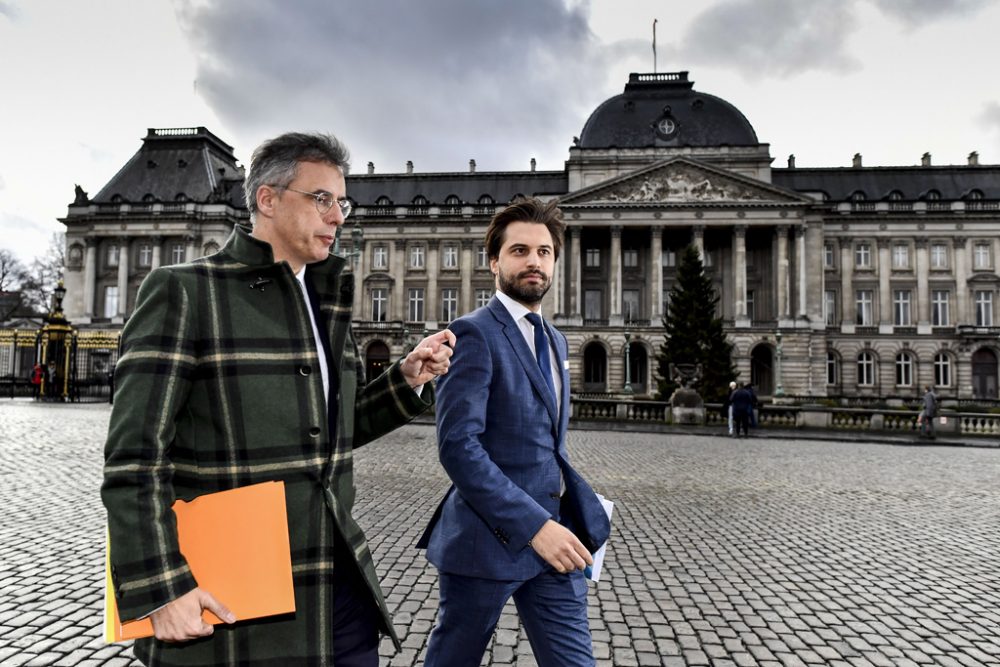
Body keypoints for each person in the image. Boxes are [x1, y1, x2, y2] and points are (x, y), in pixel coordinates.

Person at [102, 132, 455, 666]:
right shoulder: (185, 291)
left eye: (342, 202)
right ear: (267, 200)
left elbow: (331, 435)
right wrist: (160, 587)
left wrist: (404, 382)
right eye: (322, 200)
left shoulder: (327, 304)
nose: (337, 217)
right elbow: (135, 459)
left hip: (334, 585)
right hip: (237, 592)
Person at [418, 197, 611, 667]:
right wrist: (533, 526)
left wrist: (560, 515)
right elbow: (458, 447)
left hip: (555, 541)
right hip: (487, 541)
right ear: (495, 261)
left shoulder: (556, 337)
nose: (534, 262)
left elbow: (547, 441)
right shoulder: (474, 333)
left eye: (544, 252)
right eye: (520, 250)